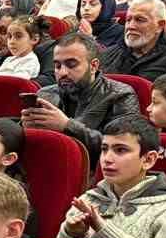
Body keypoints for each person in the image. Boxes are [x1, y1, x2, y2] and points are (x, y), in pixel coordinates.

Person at [59, 114, 166, 238]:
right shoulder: (87, 199)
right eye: (104, 149)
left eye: (120, 150)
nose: (107, 159)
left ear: (148, 160)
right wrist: (72, 235)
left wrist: (105, 231)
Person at [23, 32, 140, 160]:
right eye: (57, 66)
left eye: (71, 64)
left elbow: (122, 148)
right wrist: (25, 129)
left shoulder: (121, 94)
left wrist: (67, 126)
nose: (62, 72)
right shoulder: (45, 94)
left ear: (93, 66)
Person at [103, 0, 166, 80]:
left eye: (140, 20)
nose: (131, 26)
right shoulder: (108, 55)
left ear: (160, 26)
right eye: (128, 20)